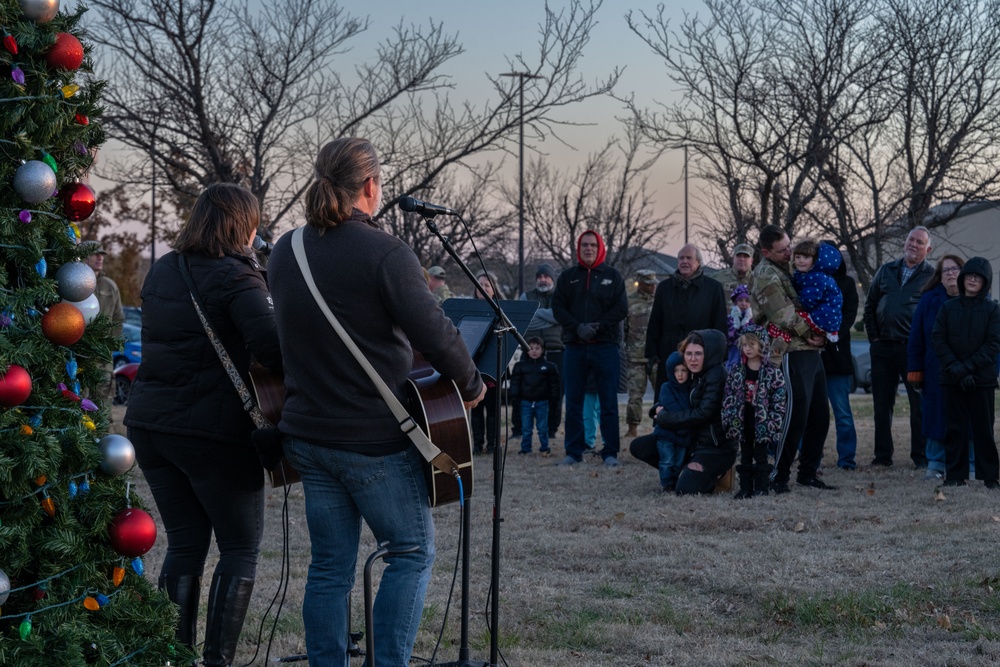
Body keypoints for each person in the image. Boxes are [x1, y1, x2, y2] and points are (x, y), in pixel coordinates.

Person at [267, 138, 486, 667]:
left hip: (308, 436)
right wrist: (473, 384)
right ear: (371, 186)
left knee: (329, 569)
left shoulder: (285, 250)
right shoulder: (386, 252)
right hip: (370, 439)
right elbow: (434, 330)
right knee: (411, 552)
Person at [124, 183, 282, 666]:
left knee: (186, 543)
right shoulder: (237, 277)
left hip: (152, 425)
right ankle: (216, 661)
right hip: (212, 432)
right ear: (244, 225)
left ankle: (173, 657)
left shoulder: (165, 269)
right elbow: (274, 353)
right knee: (239, 547)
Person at [751, 224, 831, 493]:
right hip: (788, 352)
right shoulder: (764, 274)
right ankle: (779, 475)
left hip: (811, 352)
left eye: (789, 246)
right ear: (766, 252)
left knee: (820, 415)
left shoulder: (790, 268)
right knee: (794, 416)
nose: (789, 252)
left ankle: (808, 473)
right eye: (782, 250)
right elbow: (782, 315)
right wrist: (812, 332)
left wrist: (823, 333)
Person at [552, 230, 628, 468]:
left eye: (593, 245)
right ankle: (573, 452)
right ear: (578, 248)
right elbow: (558, 307)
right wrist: (577, 328)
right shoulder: (567, 277)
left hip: (605, 347)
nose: (588, 249)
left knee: (608, 402)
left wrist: (597, 327)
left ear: (600, 248)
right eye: (584, 245)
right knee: (573, 401)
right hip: (575, 347)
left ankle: (610, 452)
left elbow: (621, 308)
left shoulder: (613, 276)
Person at [863, 226, 935, 468]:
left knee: (919, 406)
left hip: (912, 351)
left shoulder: (931, 277)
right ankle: (883, 456)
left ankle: (921, 456)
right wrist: (874, 338)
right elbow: (870, 306)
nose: (913, 245)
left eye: (919, 242)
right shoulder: (886, 271)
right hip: (882, 348)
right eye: (910, 240)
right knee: (882, 406)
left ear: (928, 249)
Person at [931, 257, 1000, 489]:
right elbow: (938, 340)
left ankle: (990, 477)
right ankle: (955, 476)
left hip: (982, 380)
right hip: (952, 379)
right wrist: (957, 369)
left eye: (978, 277)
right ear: (962, 279)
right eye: (969, 275)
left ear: (985, 282)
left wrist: (968, 368)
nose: (972, 279)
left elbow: (992, 345)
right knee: (954, 428)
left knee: (983, 429)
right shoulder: (947, 308)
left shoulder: (993, 310)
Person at [654, 330, 738, 495]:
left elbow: (702, 413)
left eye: (698, 354)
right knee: (641, 446)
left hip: (715, 447)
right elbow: (676, 393)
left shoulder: (716, 375)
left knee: (685, 490)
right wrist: (655, 410)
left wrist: (665, 418)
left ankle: (719, 474)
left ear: (710, 354)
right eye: (688, 353)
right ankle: (686, 468)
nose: (692, 359)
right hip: (693, 440)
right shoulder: (694, 372)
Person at [908, 255, 967, 480]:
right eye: (946, 270)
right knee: (936, 414)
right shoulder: (928, 300)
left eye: (955, 269)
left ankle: (969, 462)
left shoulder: (977, 299)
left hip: (968, 369)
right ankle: (936, 463)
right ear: (939, 277)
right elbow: (916, 338)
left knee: (968, 416)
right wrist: (915, 369)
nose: (951, 273)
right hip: (935, 369)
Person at [645, 244, 727, 393]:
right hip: (669, 352)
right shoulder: (664, 288)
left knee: (697, 396)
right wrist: (651, 353)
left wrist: (718, 355)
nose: (684, 261)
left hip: (700, 354)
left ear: (698, 263)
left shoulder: (713, 288)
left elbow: (720, 324)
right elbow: (655, 322)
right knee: (668, 396)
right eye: (681, 258)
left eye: (689, 258)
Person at [722, 325, 786, 499]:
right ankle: (745, 488)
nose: (748, 349)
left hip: (763, 422)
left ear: (762, 345)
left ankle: (762, 486)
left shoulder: (772, 372)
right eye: (744, 345)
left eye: (752, 344)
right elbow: (728, 396)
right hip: (742, 420)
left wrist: (774, 420)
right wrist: (729, 417)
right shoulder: (735, 371)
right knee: (745, 454)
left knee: (761, 455)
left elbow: (779, 399)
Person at [820, 247, 860, 470]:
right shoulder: (809, 281)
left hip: (837, 356)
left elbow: (850, 314)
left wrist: (830, 335)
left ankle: (846, 459)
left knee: (842, 413)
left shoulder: (846, 283)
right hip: (813, 357)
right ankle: (809, 457)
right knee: (810, 415)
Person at [517, 263, 564, 438]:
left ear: (552, 279)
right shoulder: (526, 296)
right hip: (529, 351)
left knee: (556, 394)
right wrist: (551, 317)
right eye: (540, 276)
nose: (543, 279)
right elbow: (523, 320)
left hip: (556, 350)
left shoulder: (561, 296)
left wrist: (536, 313)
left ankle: (551, 430)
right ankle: (520, 430)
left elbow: (561, 316)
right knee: (523, 393)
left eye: (546, 276)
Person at [82, 240, 125, 403]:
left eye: (102, 254)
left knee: (103, 404)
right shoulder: (76, 284)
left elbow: (119, 318)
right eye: (95, 253)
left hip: (103, 357)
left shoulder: (110, 286)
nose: (100, 257)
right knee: (80, 402)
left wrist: (109, 345)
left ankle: (101, 430)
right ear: (84, 257)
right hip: (81, 354)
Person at [509, 336, 560, 455]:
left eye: (537, 348)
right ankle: (526, 448)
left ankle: (545, 447)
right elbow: (515, 383)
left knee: (542, 428)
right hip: (525, 402)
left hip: (542, 402)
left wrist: (554, 398)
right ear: (526, 350)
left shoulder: (549, 367)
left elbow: (554, 385)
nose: (534, 351)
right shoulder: (520, 366)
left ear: (542, 350)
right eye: (531, 348)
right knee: (526, 428)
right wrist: (514, 396)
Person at [471, 271, 504, 455]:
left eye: (486, 285)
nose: (482, 289)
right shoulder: (468, 308)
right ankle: (477, 444)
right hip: (473, 365)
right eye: (480, 285)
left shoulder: (500, 311)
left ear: (493, 290)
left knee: (492, 409)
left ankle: (492, 444)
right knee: (476, 408)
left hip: (493, 364)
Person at [625, 269, 659, 437]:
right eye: (649, 284)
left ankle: (660, 426)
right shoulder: (629, 303)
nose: (653, 287)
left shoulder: (660, 302)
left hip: (656, 356)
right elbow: (624, 330)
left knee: (661, 394)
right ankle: (632, 428)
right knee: (634, 396)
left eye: (654, 284)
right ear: (641, 284)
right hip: (635, 357)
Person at [653, 351, 692, 492]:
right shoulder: (666, 387)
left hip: (683, 436)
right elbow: (671, 407)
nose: (680, 374)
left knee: (678, 462)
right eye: (676, 371)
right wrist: (683, 426)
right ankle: (666, 484)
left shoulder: (690, 389)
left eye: (683, 370)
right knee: (667, 461)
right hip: (666, 434)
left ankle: (675, 482)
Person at [791, 239, 843, 342]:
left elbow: (807, 302)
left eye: (806, 257)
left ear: (815, 260)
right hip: (826, 317)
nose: (801, 261)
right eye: (798, 257)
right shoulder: (808, 275)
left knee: (786, 319)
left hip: (823, 318)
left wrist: (791, 303)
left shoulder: (816, 277)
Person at [726, 284, 754, 368]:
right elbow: (728, 339)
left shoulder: (751, 321)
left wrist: (746, 320)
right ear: (735, 302)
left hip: (748, 358)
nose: (744, 304)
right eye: (740, 300)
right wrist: (736, 324)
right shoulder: (729, 319)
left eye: (747, 301)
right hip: (732, 356)